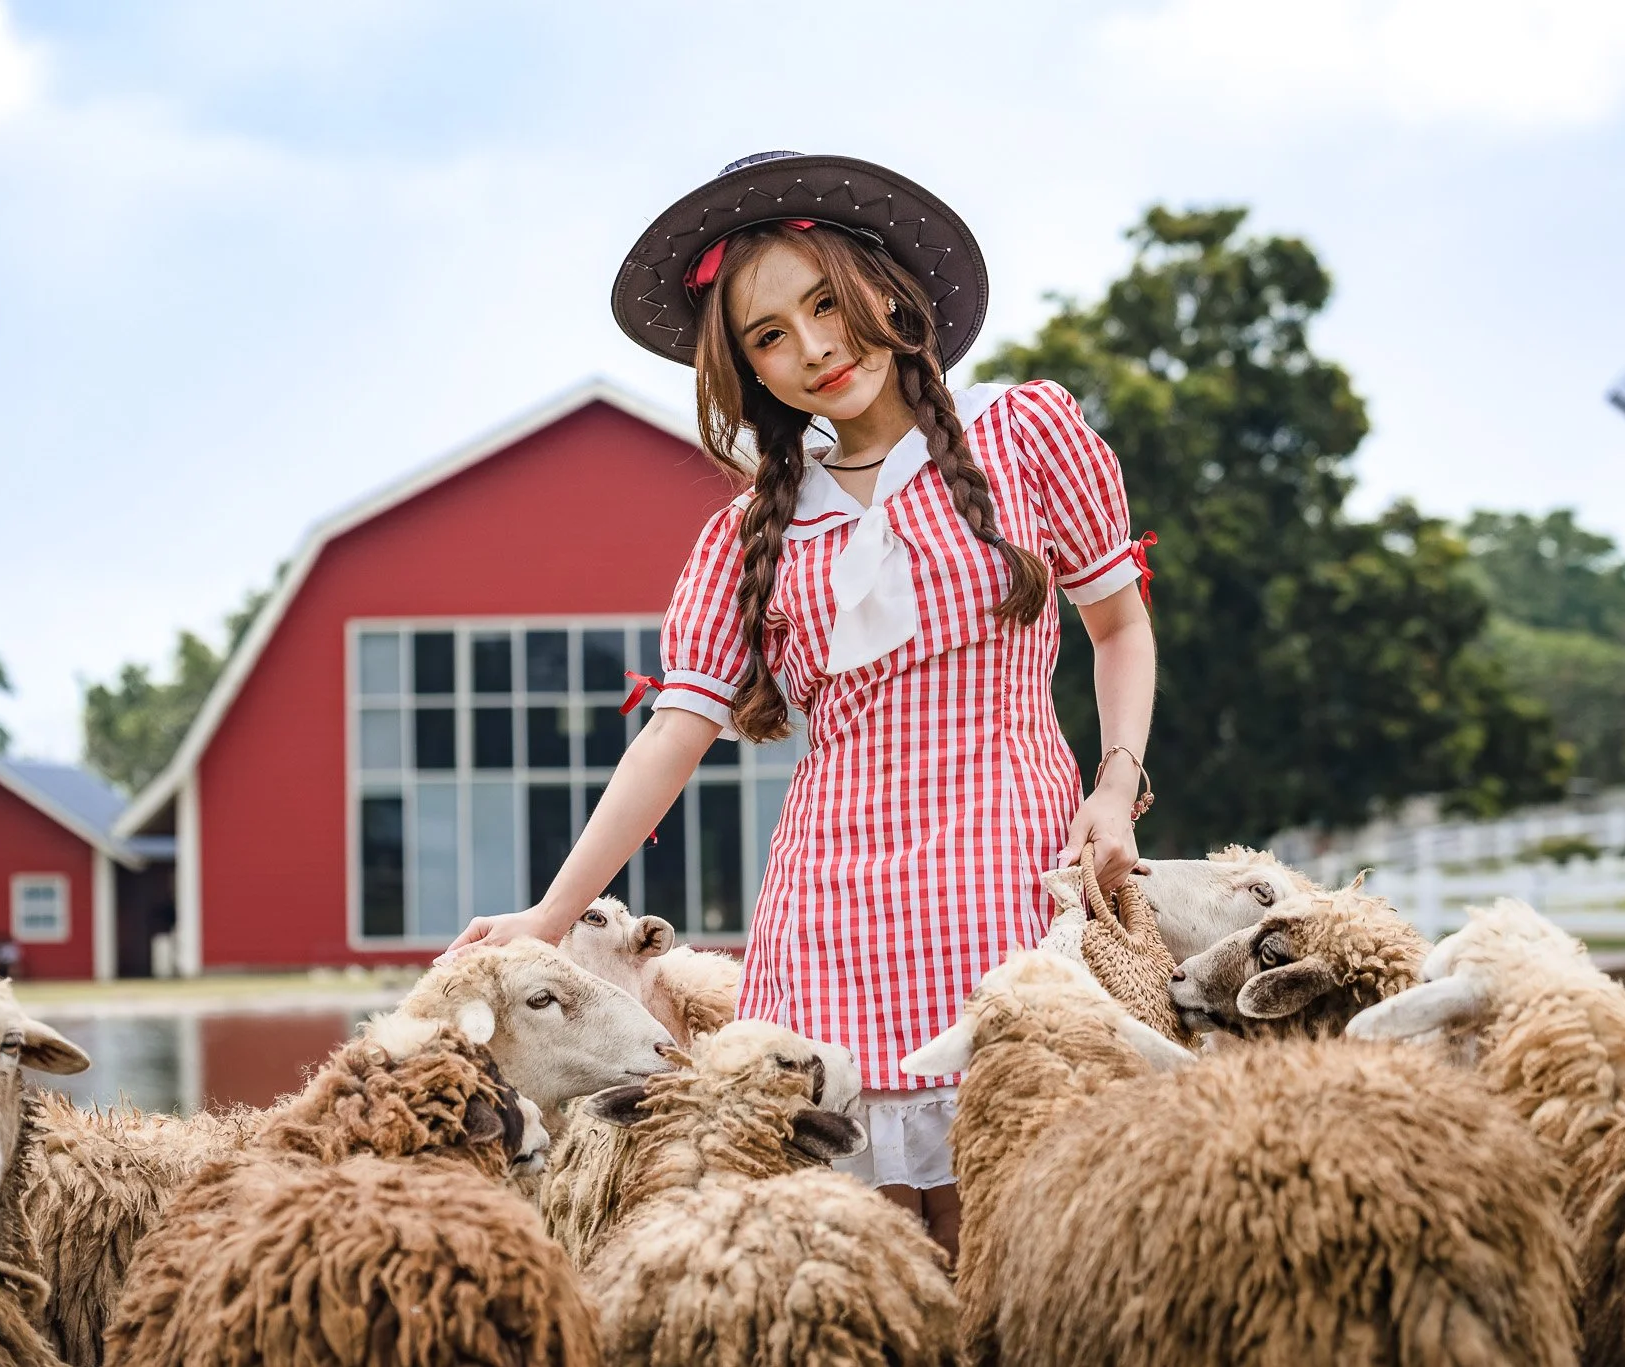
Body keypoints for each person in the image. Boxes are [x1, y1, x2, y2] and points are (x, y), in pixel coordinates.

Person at [439, 153, 1156, 1257]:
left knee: (1016, 1242)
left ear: (888, 290)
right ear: (746, 371)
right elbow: (668, 743)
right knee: (854, 1255)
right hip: (828, 917)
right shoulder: (744, 537)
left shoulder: (1024, 434)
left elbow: (1117, 626)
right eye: (769, 334)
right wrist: (546, 916)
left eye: (826, 303)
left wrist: (1113, 785)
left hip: (1005, 890)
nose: (814, 348)